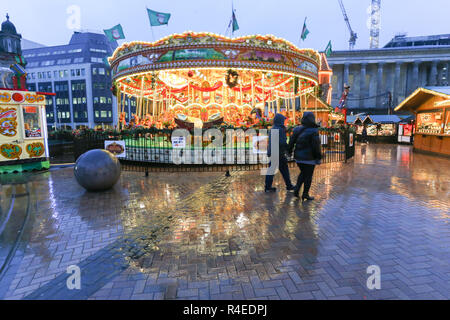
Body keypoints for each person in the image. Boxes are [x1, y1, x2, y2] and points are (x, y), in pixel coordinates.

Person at [288, 112, 322, 201]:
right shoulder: (314, 131)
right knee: (308, 176)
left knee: (303, 173)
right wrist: (318, 157)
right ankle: (305, 194)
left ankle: (296, 189)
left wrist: (289, 151)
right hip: (309, 158)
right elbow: (316, 146)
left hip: (298, 157)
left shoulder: (297, 129)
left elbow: (291, 142)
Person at [265, 113, 295, 192]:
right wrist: (287, 148)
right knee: (284, 169)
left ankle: (268, 187)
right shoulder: (280, 129)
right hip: (278, 152)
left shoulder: (273, 128)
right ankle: (289, 186)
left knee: (272, 170)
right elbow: (281, 142)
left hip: (274, 151)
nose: (285, 122)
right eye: (283, 120)